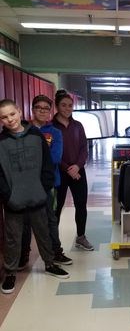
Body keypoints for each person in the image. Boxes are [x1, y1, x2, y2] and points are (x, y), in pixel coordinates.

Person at [0, 99, 70, 294]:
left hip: (38, 195)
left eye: (12, 114)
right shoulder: (1, 142)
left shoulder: (37, 136)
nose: (10, 119)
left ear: (20, 112)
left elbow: (48, 165)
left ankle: (50, 264)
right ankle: (11, 273)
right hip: (14, 200)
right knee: (13, 238)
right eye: (4, 117)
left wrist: (43, 188)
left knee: (43, 231)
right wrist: (7, 196)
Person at [19, 95, 73, 269]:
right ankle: (23, 255)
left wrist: (29, 160)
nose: (42, 111)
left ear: (50, 111)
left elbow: (55, 157)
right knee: (25, 221)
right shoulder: (22, 129)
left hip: (48, 183)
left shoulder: (54, 132)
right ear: (32, 109)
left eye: (45, 108)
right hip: (24, 184)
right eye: (38, 107)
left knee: (50, 219)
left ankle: (56, 251)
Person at [53, 89, 94, 251]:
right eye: (63, 105)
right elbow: (51, 152)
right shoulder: (51, 127)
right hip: (59, 173)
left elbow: (84, 148)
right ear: (56, 106)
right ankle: (53, 242)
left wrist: (77, 166)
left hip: (78, 172)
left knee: (81, 205)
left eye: (70, 105)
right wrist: (67, 168)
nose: (67, 108)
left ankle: (81, 237)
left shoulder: (78, 126)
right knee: (57, 207)